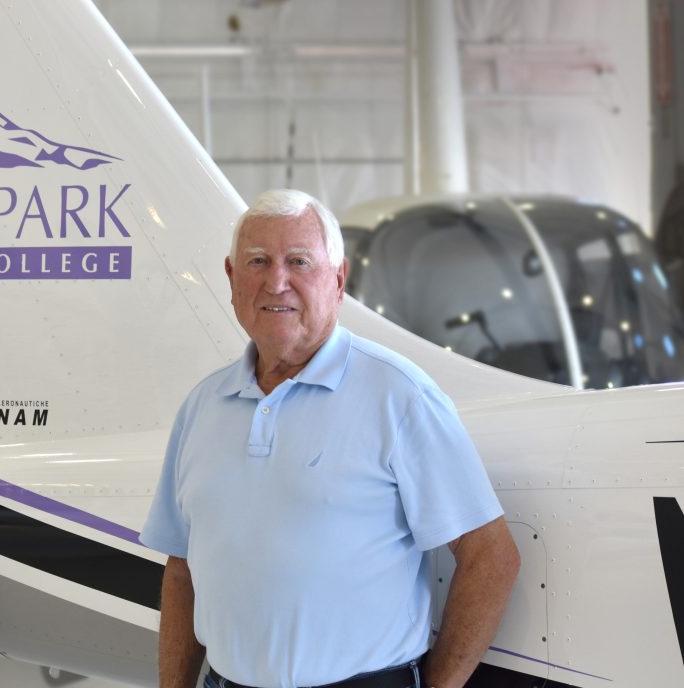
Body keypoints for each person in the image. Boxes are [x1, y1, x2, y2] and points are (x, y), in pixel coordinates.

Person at [139, 189, 520, 688]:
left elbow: (491, 557)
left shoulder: (399, 396)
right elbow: (182, 570)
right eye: (258, 261)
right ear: (232, 280)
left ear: (338, 279)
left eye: (299, 261)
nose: (277, 282)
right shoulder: (201, 407)